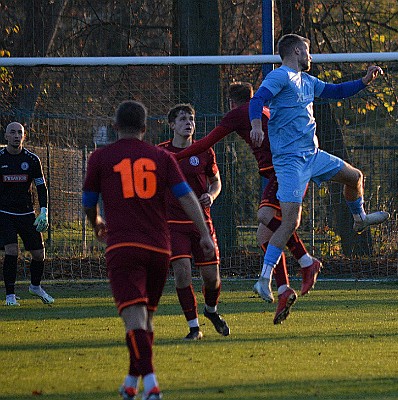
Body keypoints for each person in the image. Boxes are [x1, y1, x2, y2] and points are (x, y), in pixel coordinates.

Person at [82, 100, 215, 400]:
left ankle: (152, 384)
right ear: (145, 128)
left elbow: (89, 202)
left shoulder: (100, 157)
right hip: (158, 249)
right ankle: (131, 382)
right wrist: (205, 234)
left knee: (134, 319)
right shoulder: (162, 156)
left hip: (124, 247)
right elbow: (188, 198)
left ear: (115, 127)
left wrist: (96, 223)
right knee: (144, 320)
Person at [249, 33, 390, 303]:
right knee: (290, 222)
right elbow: (257, 101)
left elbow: (336, 91)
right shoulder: (280, 77)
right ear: (297, 51)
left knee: (354, 177)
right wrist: (256, 125)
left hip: (313, 155)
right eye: (308, 51)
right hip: (290, 161)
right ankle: (264, 279)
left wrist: (363, 81)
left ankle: (359, 218)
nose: (310, 56)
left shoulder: (307, 81)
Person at [175, 82, 321, 324]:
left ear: (232, 101)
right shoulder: (265, 110)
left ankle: (307, 261)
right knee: (264, 237)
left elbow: (205, 143)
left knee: (265, 216)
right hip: (292, 168)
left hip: (281, 171)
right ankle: (284, 289)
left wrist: (174, 156)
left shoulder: (239, 113)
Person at [159, 103, 230, 340]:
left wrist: (211, 194)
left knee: (212, 278)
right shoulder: (161, 153)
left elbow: (216, 182)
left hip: (202, 222)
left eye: (191, 118)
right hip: (173, 223)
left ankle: (211, 311)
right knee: (182, 273)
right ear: (172, 125)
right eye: (182, 119)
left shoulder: (204, 151)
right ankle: (194, 327)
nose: (188, 122)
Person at [0, 122, 53, 306]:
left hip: (27, 213)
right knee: (12, 250)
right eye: (12, 132)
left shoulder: (32, 160)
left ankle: (35, 286)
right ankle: (10, 295)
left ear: (24, 136)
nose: (16, 135)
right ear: (6, 136)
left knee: (39, 254)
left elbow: (41, 186)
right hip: (4, 213)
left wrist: (44, 212)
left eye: (19, 133)